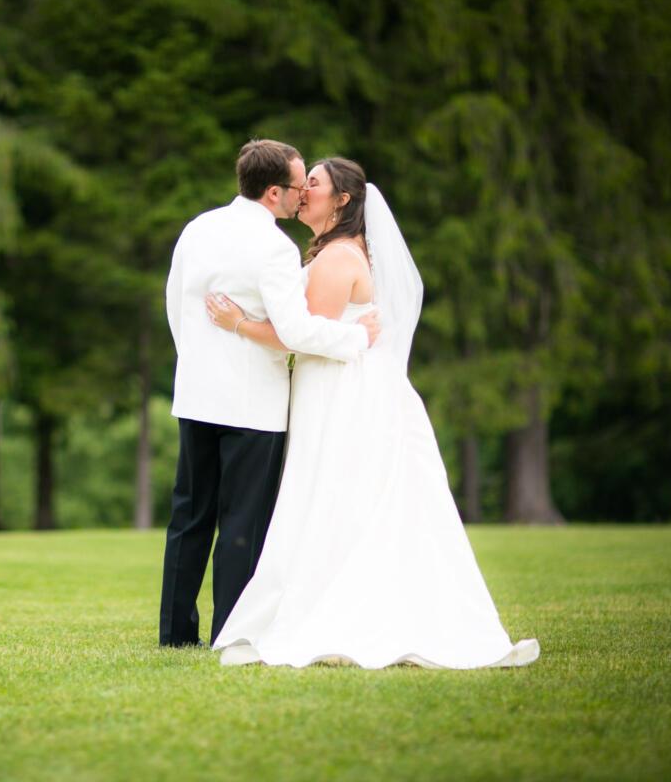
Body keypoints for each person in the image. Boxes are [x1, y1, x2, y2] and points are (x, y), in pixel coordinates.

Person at [206, 157, 539, 668]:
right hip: (345, 383)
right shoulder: (338, 252)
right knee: (349, 496)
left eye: (313, 184)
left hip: (343, 391)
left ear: (341, 201)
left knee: (338, 495)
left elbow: (301, 334)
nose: (302, 191)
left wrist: (238, 323)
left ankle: (342, 612)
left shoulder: (338, 257)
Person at [160, 140, 380, 648]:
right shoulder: (275, 248)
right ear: (275, 191)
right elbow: (297, 329)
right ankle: (229, 633)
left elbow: (176, 306)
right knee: (241, 520)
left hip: (195, 393)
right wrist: (356, 337)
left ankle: (174, 634)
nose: (304, 193)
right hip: (253, 406)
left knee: (189, 515)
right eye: (300, 184)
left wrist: (195, 358)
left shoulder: (198, 228)